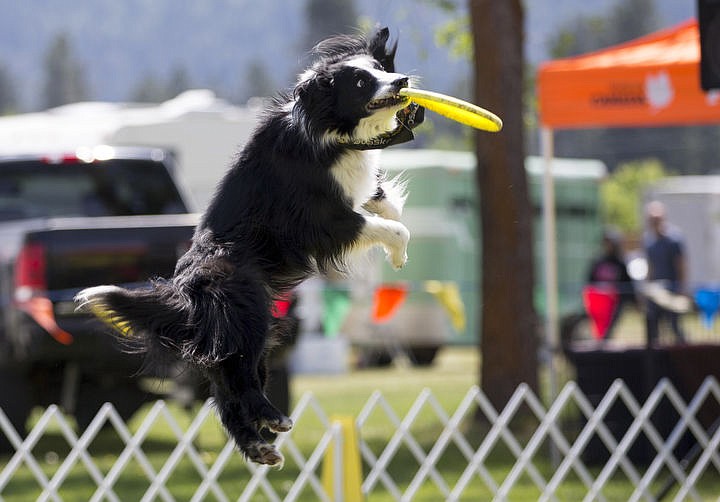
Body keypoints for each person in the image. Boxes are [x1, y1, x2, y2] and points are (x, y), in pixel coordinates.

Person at [643, 200, 687, 345]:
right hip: (656, 290)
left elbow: (681, 264)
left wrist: (681, 287)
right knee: (653, 326)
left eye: (656, 219)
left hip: (672, 288)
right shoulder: (648, 241)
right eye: (651, 219)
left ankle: (685, 351)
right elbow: (650, 266)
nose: (653, 222)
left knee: (674, 325)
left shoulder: (674, 239)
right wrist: (647, 287)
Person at [586, 227, 635, 341]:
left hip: (614, 302)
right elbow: (590, 281)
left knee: (608, 330)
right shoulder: (598, 261)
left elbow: (627, 284)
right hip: (599, 301)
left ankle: (605, 342)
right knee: (598, 329)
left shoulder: (620, 263)